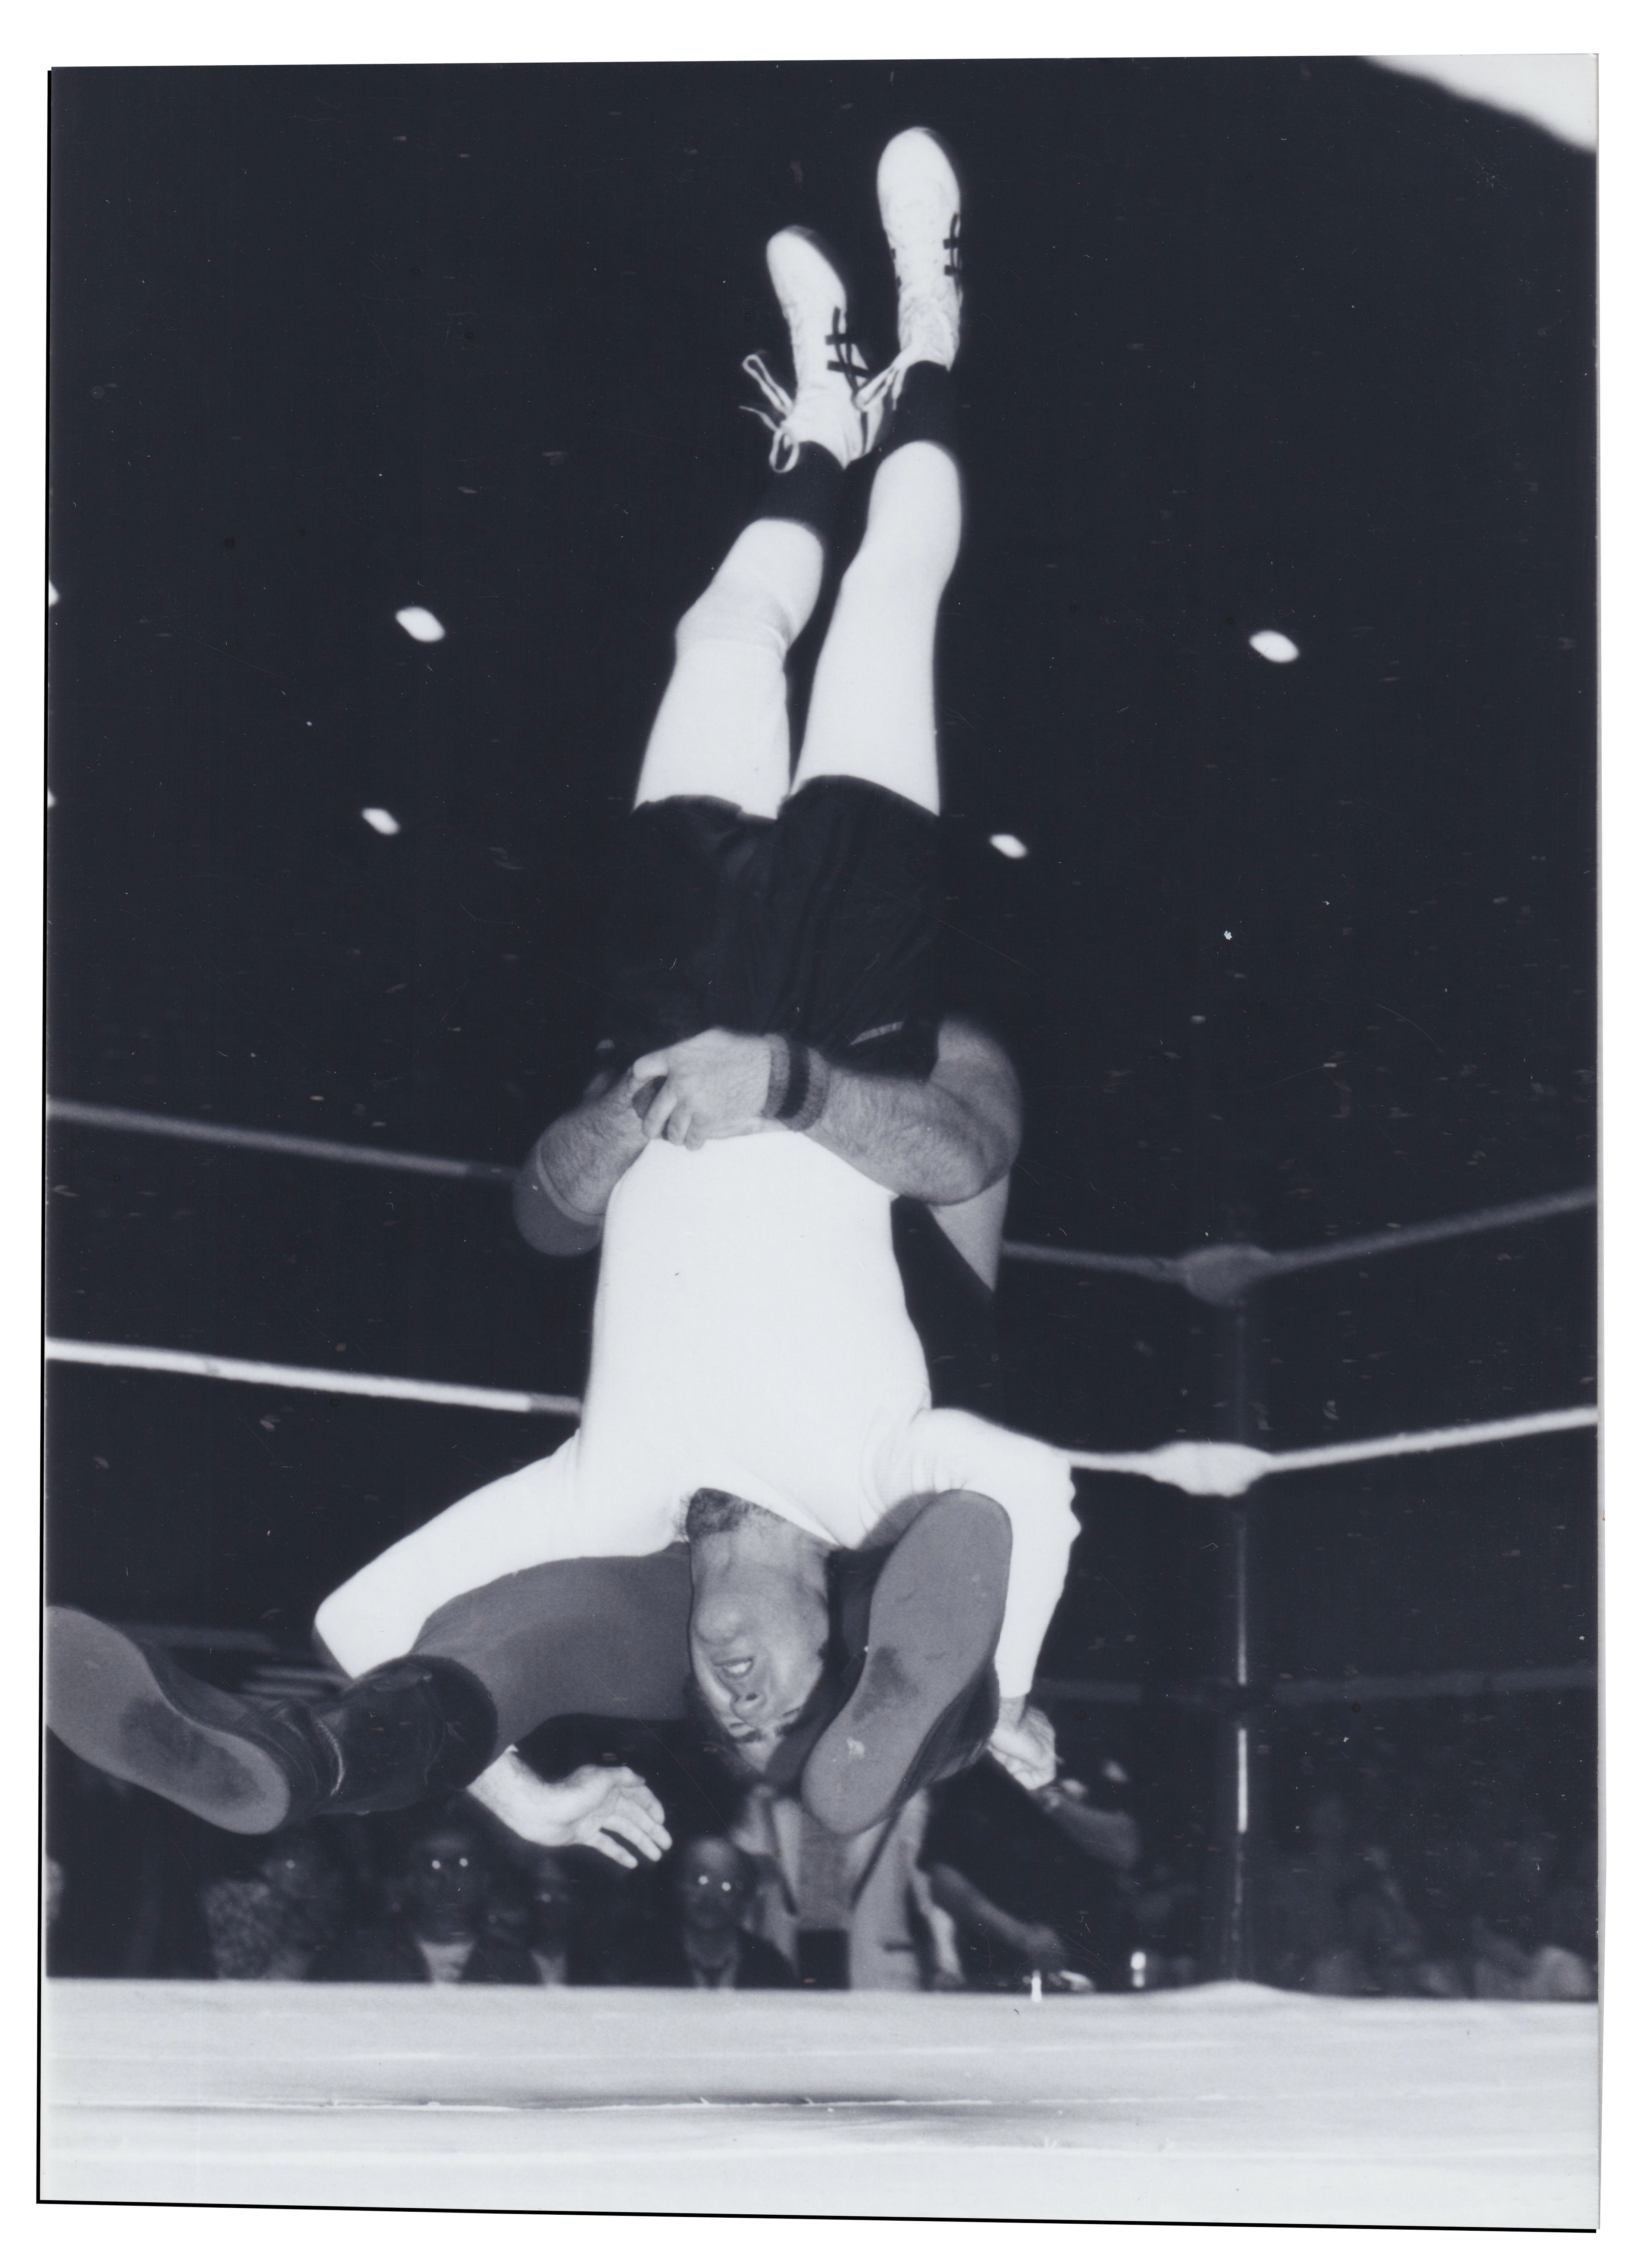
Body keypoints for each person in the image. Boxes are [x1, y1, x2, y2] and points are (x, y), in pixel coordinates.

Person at [46, 128, 1075, 1857]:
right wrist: (975, 1700)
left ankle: (821, 423)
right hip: (849, 999)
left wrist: (525, 1796)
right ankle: (931, 322)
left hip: (658, 1004)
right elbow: (1019, 1461)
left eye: (725, 1736)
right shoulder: (882, 1464)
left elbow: (385, 1599)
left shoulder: (618, 1492)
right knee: (890, 600)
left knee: (719, 645)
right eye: (789, 1716)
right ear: (838, 1639)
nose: (743, 1714)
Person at [310, 1807, 539, 1986]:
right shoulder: (357, 1959)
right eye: (433, 1865)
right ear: (410, 1880)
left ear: (484, 1880)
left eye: (463, 1864)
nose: (448, 1880)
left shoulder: (512, 1965)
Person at [651, 1835, 796, 1990]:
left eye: (726, 1885)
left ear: (745, 1898)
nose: (711, 1896)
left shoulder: (773, 1969)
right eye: (700, 1880)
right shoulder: (647, 1962)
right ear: (678, 1887)